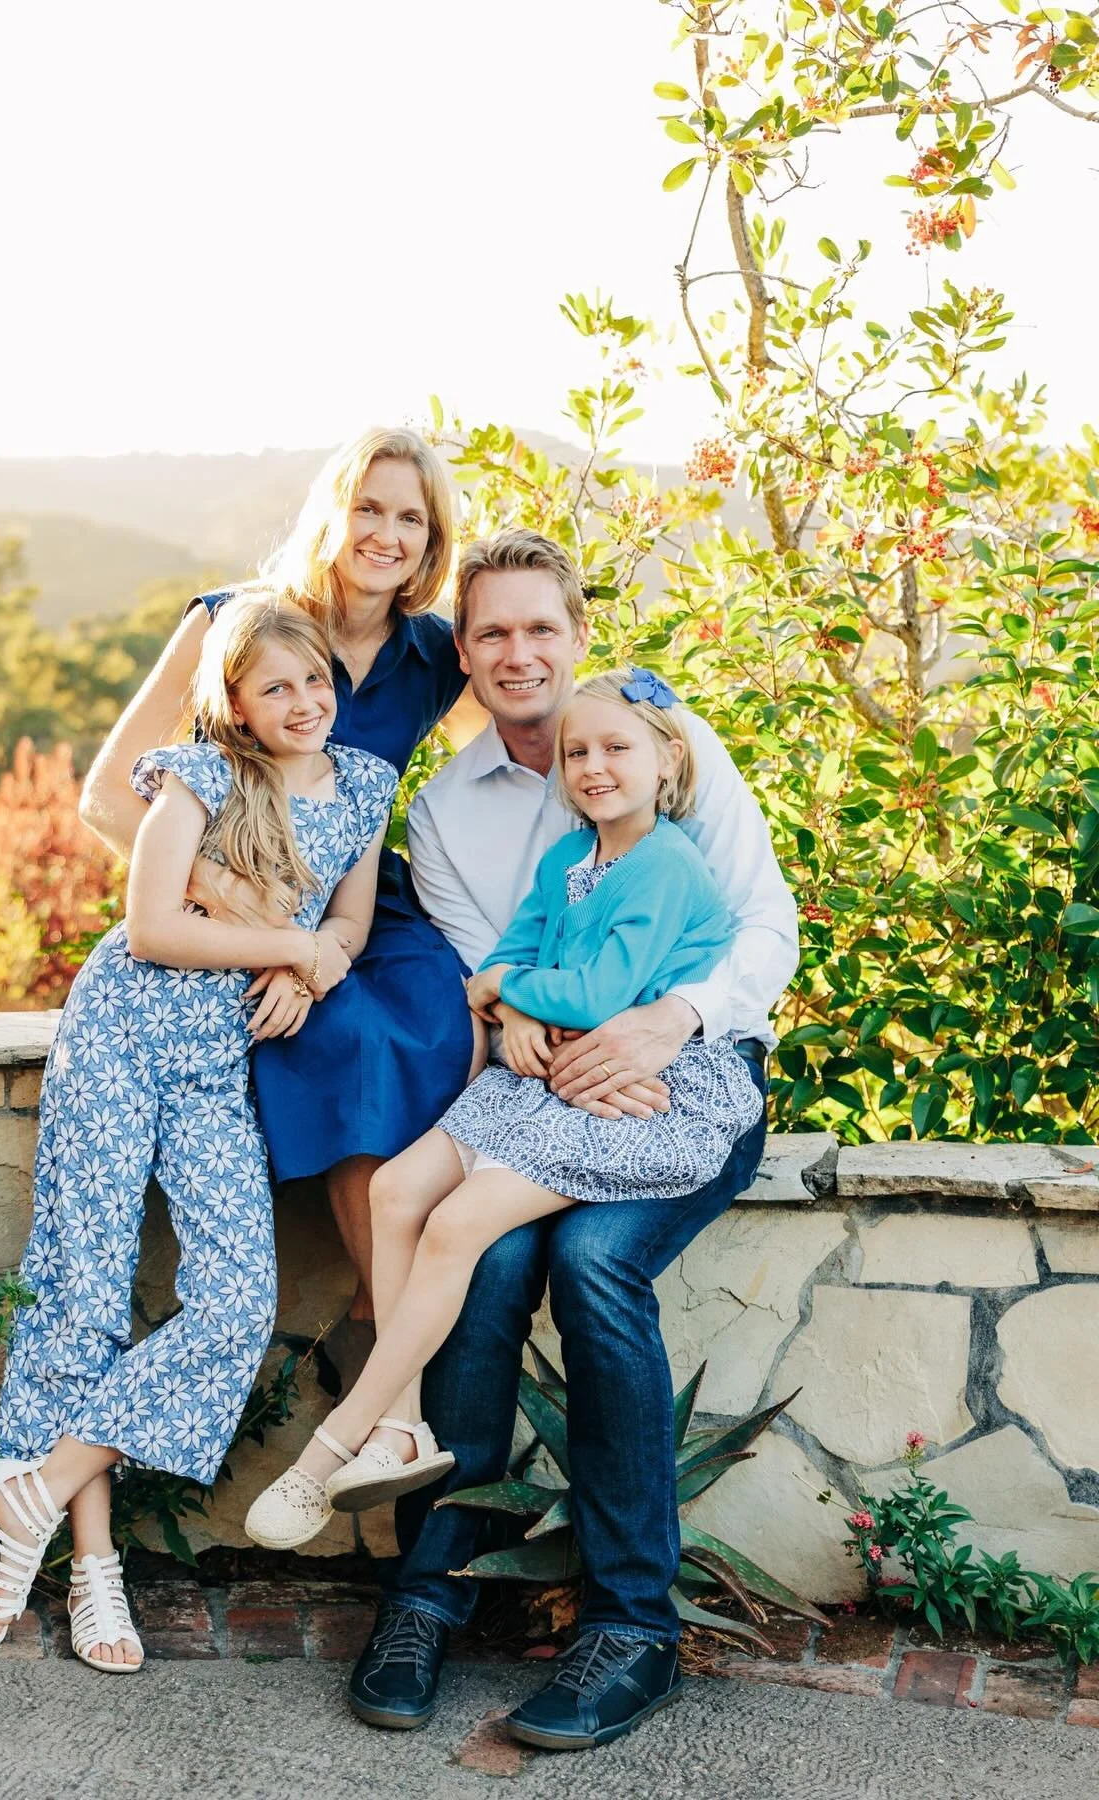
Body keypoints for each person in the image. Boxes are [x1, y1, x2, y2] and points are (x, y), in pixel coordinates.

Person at [339, 529, 799, 1752]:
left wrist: (672, 1018)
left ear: (577, 633)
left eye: (541, 626)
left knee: (597, 1265)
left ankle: (632, 1626)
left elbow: (768, 923)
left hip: (686, 1079)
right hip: (543, 1091)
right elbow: (495, 975)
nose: (518, 651)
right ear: (466, 654)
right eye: (490, 631)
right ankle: (432, 1593)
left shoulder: (662, 742)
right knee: (480, 1262)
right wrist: (513, 1017)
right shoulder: (444, 815)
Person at [245, 669, 766, 1558]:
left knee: (457, 1227)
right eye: (578, 753)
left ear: (666, 757)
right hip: (545, 1068)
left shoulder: (668, 864)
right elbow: (520, 948)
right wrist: (510, 988)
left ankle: (329, 1450)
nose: (594, 767)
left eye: (616, 748)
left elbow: (600, 993)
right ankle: (403, 1424)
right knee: (398, 1189)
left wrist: (501, 987)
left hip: (638, 1082)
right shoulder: (570, 858)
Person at [0, 596, 396, 1670]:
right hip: (120, 1036)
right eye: (275, 689)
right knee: (87, 1286)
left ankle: (39, 1483)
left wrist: (323, 960)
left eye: (314, 681)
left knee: (238, 1299)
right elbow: (154, 927)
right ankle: (94, 1575)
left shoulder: (365, 787)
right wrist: (283, 947)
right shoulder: (197, 780)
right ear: (238, 706)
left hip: (218, 1063)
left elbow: (348, 918)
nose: (302, 703)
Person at [77, 427, 478, 1380]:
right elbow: (106, 796)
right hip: (233, 913)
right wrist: (259, 935)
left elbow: (528, 754)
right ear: (332, 514)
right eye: (368, 508)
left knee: (443, 1018)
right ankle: (387, 1342)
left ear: (434, 539)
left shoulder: (434, 655)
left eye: (411, 518)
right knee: (341, 1042)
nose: (386, 533)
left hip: (365, 907)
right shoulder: (237, 620)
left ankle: (392, 1309)